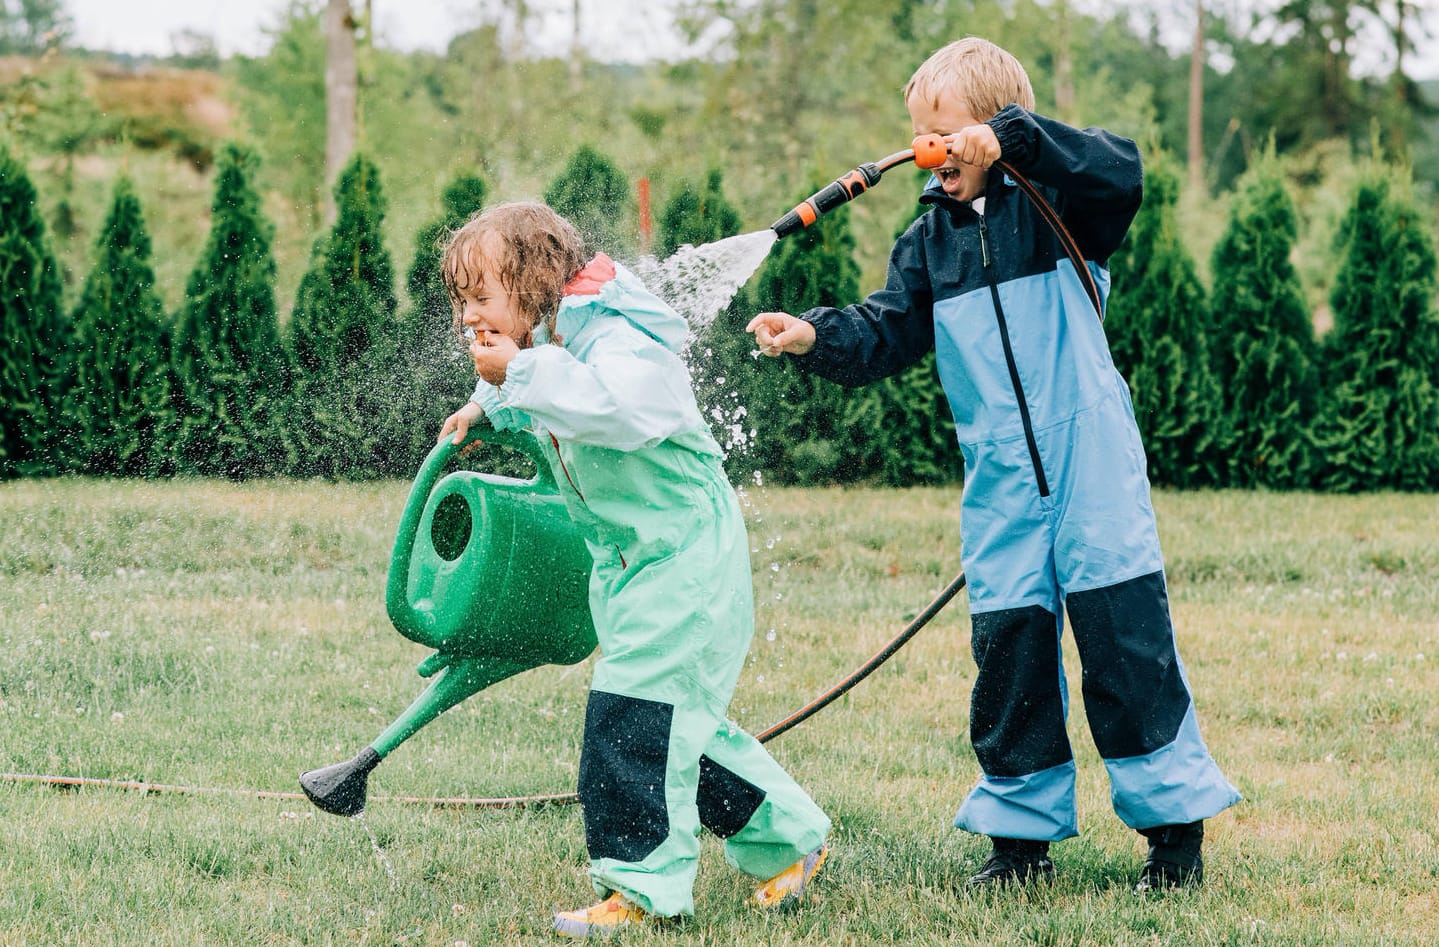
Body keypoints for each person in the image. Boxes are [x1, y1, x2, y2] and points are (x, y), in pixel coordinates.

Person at [746, 38, 1239, 892]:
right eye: (920, 136)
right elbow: (887, 329)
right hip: (1001, 477)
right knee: (1007, 652)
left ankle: (1172, 837)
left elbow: (1118, 169)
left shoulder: (1058, 206)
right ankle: (1018, 842)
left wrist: (1016, 138)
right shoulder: (927, 242)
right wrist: (816, 335)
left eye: (945, 135)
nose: (929, 154)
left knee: (1125, 645)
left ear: (985, 131)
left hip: (1090, 463)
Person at [437, 202, 830, 935]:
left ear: (537, 283)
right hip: (627, 559)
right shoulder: (553, 333)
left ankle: (642, 889)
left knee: (632, 714)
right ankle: (792, 836)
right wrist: (485, 404)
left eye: (481, 296)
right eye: (462, 300)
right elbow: (544, 383)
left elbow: (616, 409)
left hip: (682, 553)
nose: (467, 315)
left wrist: (517, 371)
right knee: (674, 719)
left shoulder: (621, 336)